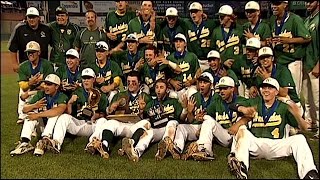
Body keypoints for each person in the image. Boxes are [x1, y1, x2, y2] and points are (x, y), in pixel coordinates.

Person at [227, 77, 319, 179]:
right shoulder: (255, 102)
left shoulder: (284, 107)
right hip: (257, 144)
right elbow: (232, 105)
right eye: (264, 88)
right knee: (241, 129)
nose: (266, 90)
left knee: (300, 139)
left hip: (277, 145)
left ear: (276, 92)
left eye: (270, 88)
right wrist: (242, 108)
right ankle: (241, 166)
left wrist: (296, 115)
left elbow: (304, 128)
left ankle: (309, 173)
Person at [85, 71, 151, 159]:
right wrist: (111, 108)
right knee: (110, 123)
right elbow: (108, 113)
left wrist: (143, 110)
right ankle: (105, 146)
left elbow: (151, 116)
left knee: (145, 123)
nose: (130, 84)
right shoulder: (120, 95)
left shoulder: (145, 97)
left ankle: (130, 144)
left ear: (139, 83)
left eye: (134, 82)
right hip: (121, 124)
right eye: (128, 82)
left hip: (135, 126)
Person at [121, 78, 184, 162]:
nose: (158, 90)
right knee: (148, 134)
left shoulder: (174, 102)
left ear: (167, 89)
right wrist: (141, 111)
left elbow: (181, 118)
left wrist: (186, 109)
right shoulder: (151, 103)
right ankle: (135, 152)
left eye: (161, 87)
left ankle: (163, 148)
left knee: (172, 122)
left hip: (171, 128)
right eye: (157, 87)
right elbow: (146, 119)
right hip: (158, 129)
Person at [47, 68, 109, 154]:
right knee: (64, 117)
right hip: (79, 124)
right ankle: (56, 143)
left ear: (94, 79)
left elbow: (104, 114)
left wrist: (96, 115)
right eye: (84, 78)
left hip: (92, 126)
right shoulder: (77, 93)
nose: (86, 81)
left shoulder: (100, 94)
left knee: (103, 121)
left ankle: (92, 143)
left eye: (88, 78)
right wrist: (69, 103)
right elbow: (69, 113)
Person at [10, 74, 68, 156]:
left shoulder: (62, 96)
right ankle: (25, 143)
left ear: (57, 86)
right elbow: (24, 109)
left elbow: (59, 110)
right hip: (42, 127)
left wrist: (38, 115)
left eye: (49, 84)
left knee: (53, 114)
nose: (46, 86)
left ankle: (44, 141)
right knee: (31, 114)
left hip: (54, 131)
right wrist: (34, 106)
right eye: (45, 83)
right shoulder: (41, 94)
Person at [168, 72, 217, 160]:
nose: (202, 85)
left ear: (211, 85)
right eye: (200, 82)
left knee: (208, 120)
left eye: (205, 83)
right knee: (181, 127)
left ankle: (203, 149)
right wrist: (189, 111)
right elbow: (190, 121)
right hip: (197, 126)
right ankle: (177, 148)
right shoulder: (194, 96)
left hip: (212, 128)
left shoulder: (216, 98)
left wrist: (202, 125)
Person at [268, 1, 311, 96]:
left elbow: (307, 38)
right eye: (273, 4)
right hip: (279, 61)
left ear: (285, 5)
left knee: (294, 93)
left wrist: (289, 40)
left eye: (277, 4)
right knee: (279, 94)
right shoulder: (272, 20)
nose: (274, 6)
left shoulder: (295, 19)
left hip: (293, 61)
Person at [16, 41, 54, 124]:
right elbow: (22, 86)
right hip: (31, 88)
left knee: (45, 88)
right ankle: (21, 115)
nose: (30, 54)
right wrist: (30, 83)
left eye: (33, 52)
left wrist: (29, 93)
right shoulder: (23, 66)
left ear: (39, 52)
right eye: (28, 52)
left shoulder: (47, 65)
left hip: (43, 91)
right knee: (23, 90)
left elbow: (48, 85)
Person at [8, 6, 51, 72]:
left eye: (33, 17)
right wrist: (14, 64)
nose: (31, 19)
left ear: (38, 18)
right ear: (26, 18)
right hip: (26, 66)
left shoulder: (46, 29)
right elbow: (13, 48)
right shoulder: (20, 29)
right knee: (26, 82)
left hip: (43, 67)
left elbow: (54, 44)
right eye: (29, 17)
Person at [184, 2, 217, 71]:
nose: (193, 14)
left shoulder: (210, 23)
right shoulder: (187, 24)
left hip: (208, 61)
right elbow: (174, 18)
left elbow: (222, 20)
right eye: (191, 12)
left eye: (195, 12)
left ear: (201, 12)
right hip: (194, 61)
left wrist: (208, 16)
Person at [167, 33, 201, 101]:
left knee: (193, 94)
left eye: (180, 41)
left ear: (185, 44)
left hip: (189, 87)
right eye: (176, 42)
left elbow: (198, 73)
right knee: (172, 96)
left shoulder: (192, 56)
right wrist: (172, 82)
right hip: (175, 89)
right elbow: (165, 76)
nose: (178, 44)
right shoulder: (169, 58)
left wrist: (191, 81)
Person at [302, 0, 319, 138]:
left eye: (310, 1)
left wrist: (318, 64)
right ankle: (311, 122)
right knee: (308, 98)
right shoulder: (308, 19)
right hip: (307, 63)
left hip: (315, 63)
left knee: (318, 99)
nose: (307, 3)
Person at [211, 4, 243, 69]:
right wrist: (222, 62)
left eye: (222, 16)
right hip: (221, 66)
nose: (220, 18)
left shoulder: (239, 29)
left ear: (230, 17)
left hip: (237, 65)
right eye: (219, 16)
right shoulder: (216, 31)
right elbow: (213, 51)